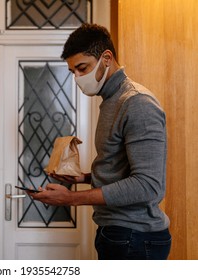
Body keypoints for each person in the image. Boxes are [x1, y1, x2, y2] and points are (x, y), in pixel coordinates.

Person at [28, 23, 171, 260]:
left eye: (82, 68)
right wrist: (84, 178)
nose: (77, 78)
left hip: (136, 238)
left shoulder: (137, 103)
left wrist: (71, 199)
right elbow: (122, 172)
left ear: (106, 58)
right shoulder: (111, 100)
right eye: (73, 72)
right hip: (119, 233)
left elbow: (147, 185)